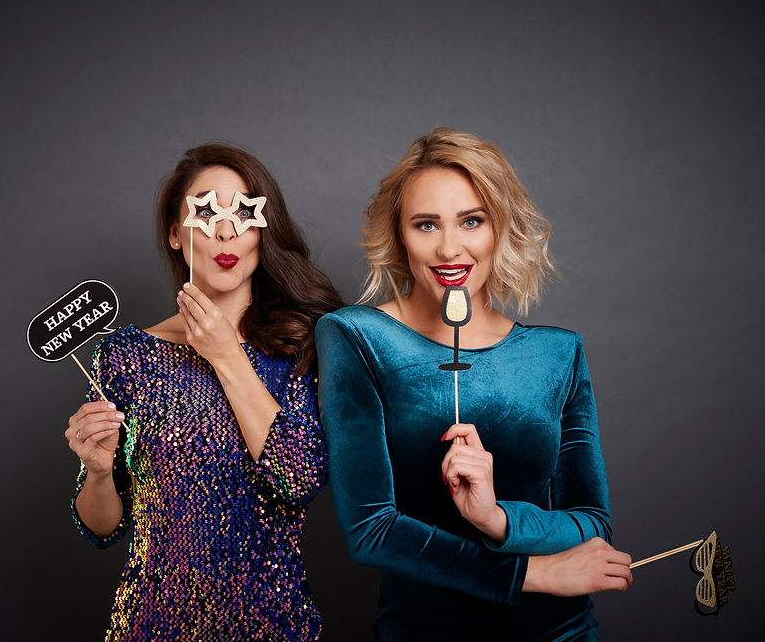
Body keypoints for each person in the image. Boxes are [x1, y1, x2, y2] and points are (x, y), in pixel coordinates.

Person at [315, 128, 632, 640]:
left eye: (471, 221)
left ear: (499, 228)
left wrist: (497, 520)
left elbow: (592, 524)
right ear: (399, 235)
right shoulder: (356, 336)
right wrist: (534, 573)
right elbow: (371, 530)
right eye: (425, 224)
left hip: (561, 633)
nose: (449, 248)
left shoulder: (558, 352)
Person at [65, 143, 343, 641]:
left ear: (263, 228)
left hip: (273, 627)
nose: (225, 230)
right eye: (206, 211)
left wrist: (226, 353)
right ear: (176, 233)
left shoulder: (305, 342)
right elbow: (102, 528)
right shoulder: (126, 357)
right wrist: (99, 472)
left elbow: (298, 478)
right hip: (153, 626)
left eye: (243, 212)